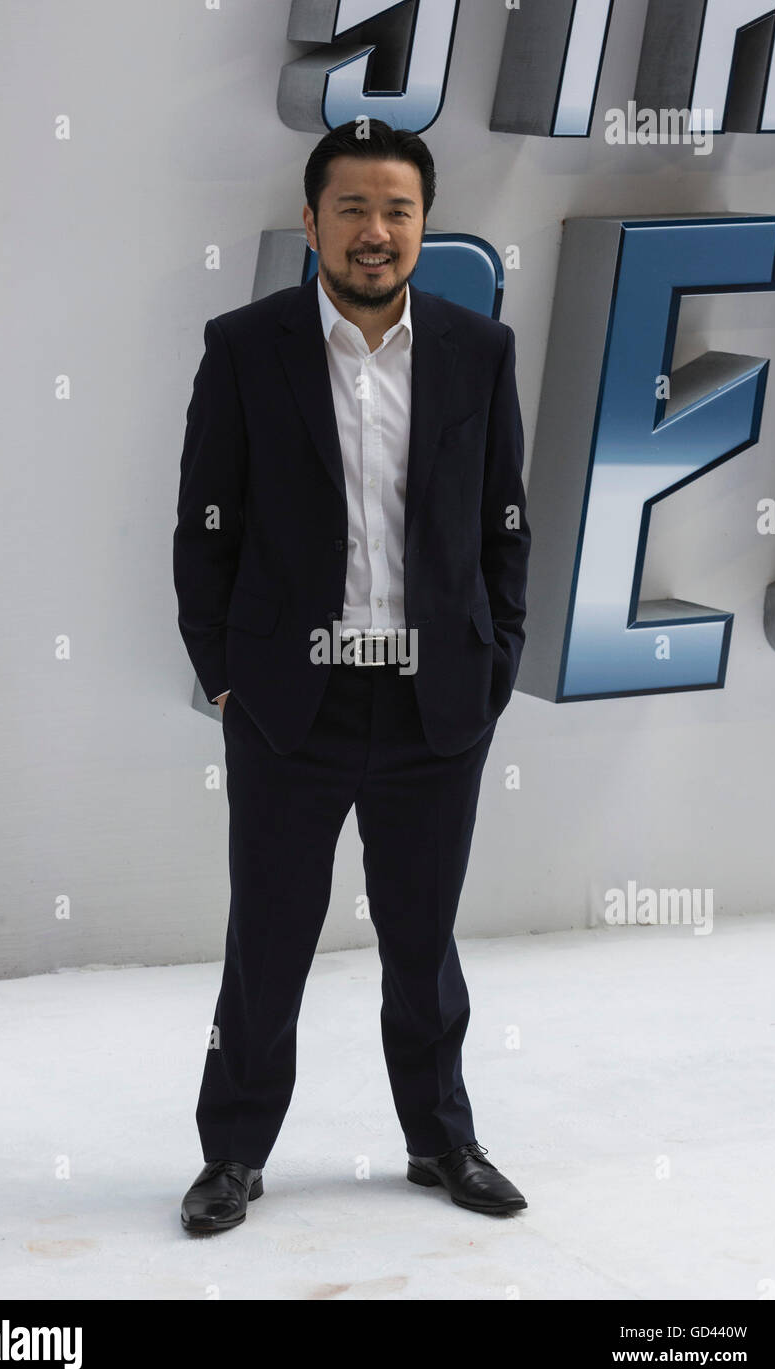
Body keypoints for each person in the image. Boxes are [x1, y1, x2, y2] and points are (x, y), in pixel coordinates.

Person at [173, 119, 531, 1234]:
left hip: (434, 703)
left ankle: (439, 1139)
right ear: (313, 218)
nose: (374, 233)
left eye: (397, 211)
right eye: (352, 210)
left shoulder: (478, 349)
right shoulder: (245, 348)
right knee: (267, 938)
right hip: (292, 705)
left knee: (421, 943)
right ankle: (231, 1155)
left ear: (422, 222)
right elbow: (204, 526)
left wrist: (494, 659)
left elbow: (502, 522)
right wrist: (224, 672)